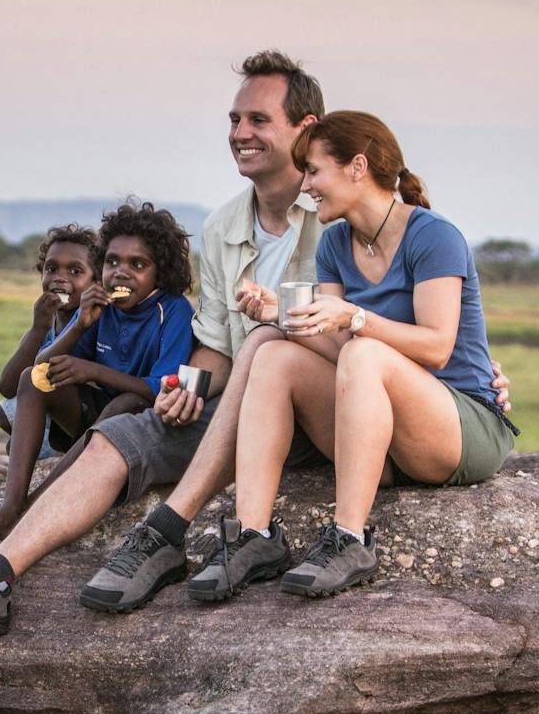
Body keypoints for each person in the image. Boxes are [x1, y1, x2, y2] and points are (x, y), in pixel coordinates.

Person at [0, 50, 333, 636]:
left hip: (315, 409)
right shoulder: (225, 226)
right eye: (233, 120)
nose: (240, 134)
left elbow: (362, 331)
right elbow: (219, 345)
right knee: (123, 431)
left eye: (258, 120)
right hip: (239, 406)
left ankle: (166, 536)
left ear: (306, 129)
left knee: (260, 364)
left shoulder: (335, 214)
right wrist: (186, 388)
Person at [210, 110, 518, 599]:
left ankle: (349, 537)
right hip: (384, 437)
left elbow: (437, 347)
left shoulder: (434, 236)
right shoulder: (335, 243)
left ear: (357, 166)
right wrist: (280, 314)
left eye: (313, 170)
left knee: (365, 352)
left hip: (459, 427)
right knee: (274, 354)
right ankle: (253, 536)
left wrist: (353, 317)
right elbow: (334, 348)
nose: (305, 185)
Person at [0, 201, 195, 545]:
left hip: (139, 425)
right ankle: (11, 504)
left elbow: (160, 390)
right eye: (111, 262)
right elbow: (41, 369)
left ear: (160, 273)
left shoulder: (173, 311)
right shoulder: (100, 304)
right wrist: (79, 327)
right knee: (32, 380)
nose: (120, 273)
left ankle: (31, 509)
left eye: (137, 264)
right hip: (93, 420)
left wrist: (92, 370)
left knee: (127, 401)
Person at [0, 224, 101, 461]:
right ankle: (52, 450)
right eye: (51, 269)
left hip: (89, 418)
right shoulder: (45, 325)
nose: (60, 278)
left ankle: (75, 454)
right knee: (4, 413)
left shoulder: (97, 323)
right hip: (54, 418)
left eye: (75, 271)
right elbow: (8, 387)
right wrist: (38, 328)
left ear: (96, 281)